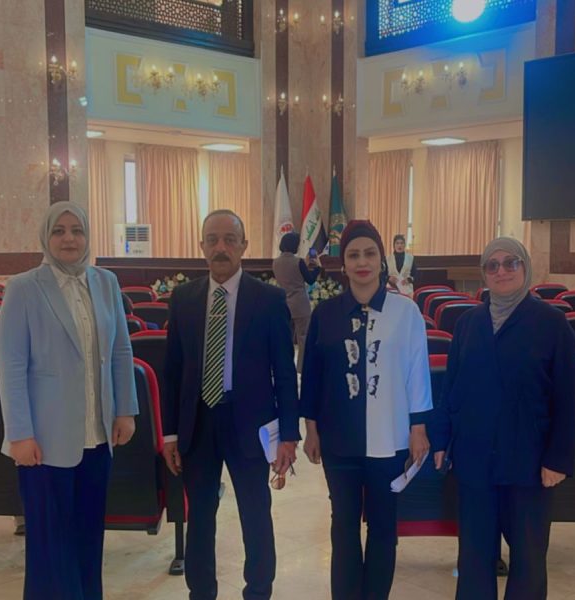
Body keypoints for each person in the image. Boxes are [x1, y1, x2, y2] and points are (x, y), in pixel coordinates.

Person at [0, 201, 138, 600]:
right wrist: (20, 434)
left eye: (77, 230)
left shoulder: (106, 282)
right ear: (46, 236)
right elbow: (11, 366)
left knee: (88, 538)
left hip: (97, 435)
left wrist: (125, 409)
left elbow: (121, 350)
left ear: (88, 235)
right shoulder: (24, 288)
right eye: (59, 230)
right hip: (43, 441)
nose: (69, 238)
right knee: (50, 546)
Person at [431, 237, 575, 600]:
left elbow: (567, 399)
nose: (501, 271)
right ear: (484, 273)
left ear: (525, 267)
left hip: (529, 464)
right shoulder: (468, 324)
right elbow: (452, 390)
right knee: (474, 559)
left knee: (528, 561)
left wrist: (557, 459)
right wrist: (441, 440)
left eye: (510, 262)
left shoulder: (553, 324)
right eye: (492, 265)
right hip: (474, 461)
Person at [162, 209, 300, 600]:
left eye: (229, 239)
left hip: (251, 424)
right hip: (197, 424)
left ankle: (258, 590)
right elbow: (172, 371)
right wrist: (170, 433)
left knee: (255, 515)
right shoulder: (184, 298)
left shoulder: (269, 299)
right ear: (201, 246)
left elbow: (284, 373)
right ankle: (201, 592)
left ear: (244, 246)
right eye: (213, 240)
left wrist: (288, 435)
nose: (220, 247)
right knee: (200, 517)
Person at [301, 219, 432, 600]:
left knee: (383, 528)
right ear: (343, 264)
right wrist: (311, 429)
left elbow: (417, 374)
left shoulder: (406, 312)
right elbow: (312, 377)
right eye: (354, 255)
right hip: (338, 441)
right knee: (343, 527)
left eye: (370, 254)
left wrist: (419, 429)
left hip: (390, 441)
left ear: (381, 260)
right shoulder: (325, 314)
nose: (362, 262)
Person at [272, 231, 321, 372]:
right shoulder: (298, 262)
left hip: (284, 304)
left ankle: (285, 366)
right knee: (303, 338)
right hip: (300, 304)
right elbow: (310, 280)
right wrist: (317, 266)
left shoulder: (275, 262)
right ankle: (302, 367)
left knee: (285, 338)